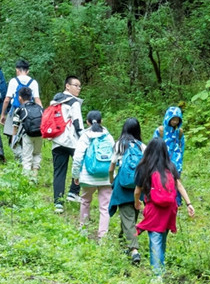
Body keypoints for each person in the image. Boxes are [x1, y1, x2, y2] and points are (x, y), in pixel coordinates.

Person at [134, 137, 195, 279]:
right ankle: (161, 268)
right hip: (169, 209)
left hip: (154, 209)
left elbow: (138, 190)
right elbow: (179, 185)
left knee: (155, 240)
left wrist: (137, 202)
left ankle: (157, 276)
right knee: (162, 238)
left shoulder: (145, 167)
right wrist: (189, 204)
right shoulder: (170, 166)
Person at [72, 111, 116, 240]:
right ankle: (103, 235)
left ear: (87, 122)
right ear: (101, 121)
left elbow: (78, 157)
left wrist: (76, 175)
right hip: (106, 176)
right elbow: (114, 156)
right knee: (104, 206)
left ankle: (83, 230)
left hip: (88, 176)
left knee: (85, 201)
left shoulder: (85, 136)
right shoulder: (108, 136)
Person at [108, 118, 145, 265]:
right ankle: (123, 240)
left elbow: (111, 167)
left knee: (127, 217)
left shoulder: (119, 145)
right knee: (132, 216)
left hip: (122, 185)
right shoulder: (142, 146)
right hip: (138, 185)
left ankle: (134, 250)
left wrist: (112, 181)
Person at [48, 76, 84, 213]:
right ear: (67, 86)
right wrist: (83, 139)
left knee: (59, 172)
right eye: (76, 85)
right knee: (81, 165)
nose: (78, 88)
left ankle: (58, 203)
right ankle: (73, 192)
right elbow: (77, 123)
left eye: (80, 86)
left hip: (57, 141)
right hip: (72, 142)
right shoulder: (74, 103)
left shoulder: (55, 101)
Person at [0, 59, 41, 142]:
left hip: (15, 111)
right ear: (28, 71)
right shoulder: (33, 82)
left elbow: (7, 100)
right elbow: (37, 99)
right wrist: (41, 113)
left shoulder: (13, 81)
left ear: (17, 70)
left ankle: (17, 152)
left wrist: (3, 114)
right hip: (29, 113)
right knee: (27, 134)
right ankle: (24, 152)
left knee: (12, 134)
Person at [10, 86, 43, 179]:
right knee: (37, 153)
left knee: (27, 157)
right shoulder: (39, 107)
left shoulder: (19, 109)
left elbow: (15, 126)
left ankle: (27, 180)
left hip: (27, 135)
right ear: (31, 97)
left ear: (20, 98)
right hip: (40, 134)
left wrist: (14, 139)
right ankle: (35, 176)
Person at [154, 106, 186, 174]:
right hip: (162, 162)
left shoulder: (179, 132)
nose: (175, 122)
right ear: (168, 118)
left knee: (175, 182)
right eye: (173, 119)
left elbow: (182, 146)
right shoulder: (160, 131)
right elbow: (153, 146)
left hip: (176, 163)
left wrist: (180, 159)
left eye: (177, 120)